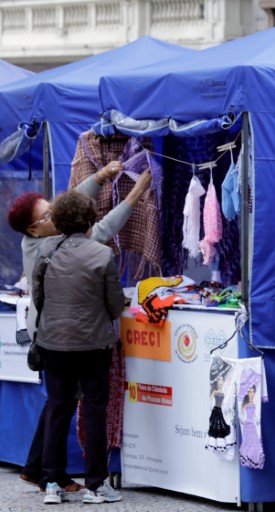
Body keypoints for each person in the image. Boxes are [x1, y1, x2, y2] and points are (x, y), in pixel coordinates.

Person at [7, 163, 151, 492]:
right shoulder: (50, 246)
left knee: (59, 403)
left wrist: (100, 178)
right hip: (69, 338)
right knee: (67, 404)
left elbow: (71, 203)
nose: (55, 215)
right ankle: (74, 480)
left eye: (55, 211)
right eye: (48, 215)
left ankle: (41, 472)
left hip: (51, 334)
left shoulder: (45, 240)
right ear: (33, 229)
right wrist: (134, 195)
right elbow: (98, 232)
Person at [32, 191, 126, 505]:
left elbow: (38, 296)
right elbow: (115, 305)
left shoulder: (45, 251)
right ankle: (96, 485)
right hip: (94, 344)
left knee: (58, 408)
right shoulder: (102, 254)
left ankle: (51, 483)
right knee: (95, 411)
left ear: (58, 220)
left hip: (53, 341)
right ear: (90, 220)